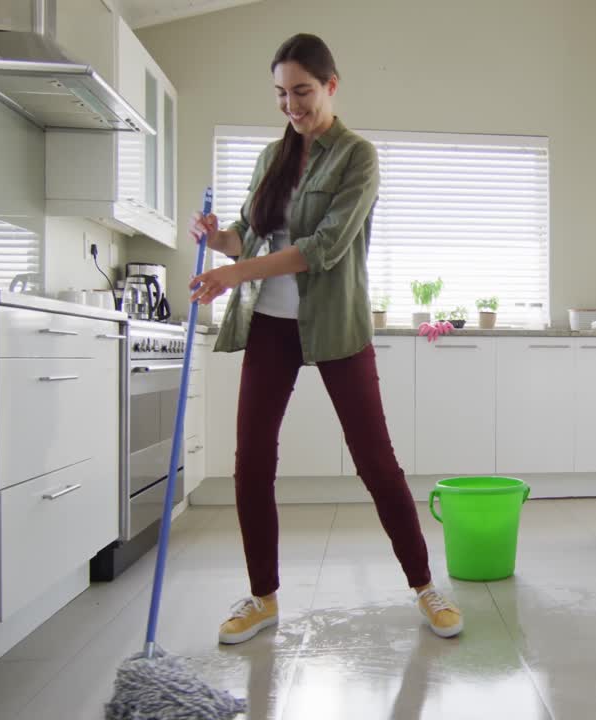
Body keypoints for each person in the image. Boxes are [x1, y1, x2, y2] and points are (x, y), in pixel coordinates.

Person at [188, 33, 462, 645]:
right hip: (269, 328)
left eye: (303, 91)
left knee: (375, 461)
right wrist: (215, 238)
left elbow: (323, 248)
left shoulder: (357, 157)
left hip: (336, 326)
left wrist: (235, 271)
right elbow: (247, 234)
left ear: (331, 85)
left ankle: (424, 585)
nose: (291, 105)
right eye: (282, 93)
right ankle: (263, 598)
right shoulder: (270, 158)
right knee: (251, 462)